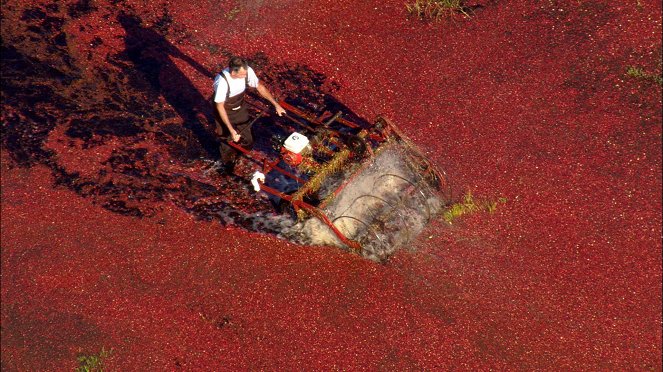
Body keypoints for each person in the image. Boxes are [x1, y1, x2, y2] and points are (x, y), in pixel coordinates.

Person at [212, 56, 285, 172]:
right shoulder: (222, 82)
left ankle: (242, 152)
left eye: (246, 73)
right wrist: (231, 130)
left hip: (239, 105)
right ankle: (227, 164)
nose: (245, 76)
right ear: (233, 72)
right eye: (242, 75)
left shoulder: (247, 71)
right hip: (224, 109)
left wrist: (276, 105)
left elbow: (259, 87)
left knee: (247, 136)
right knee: (226, 138)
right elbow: (220, 107)